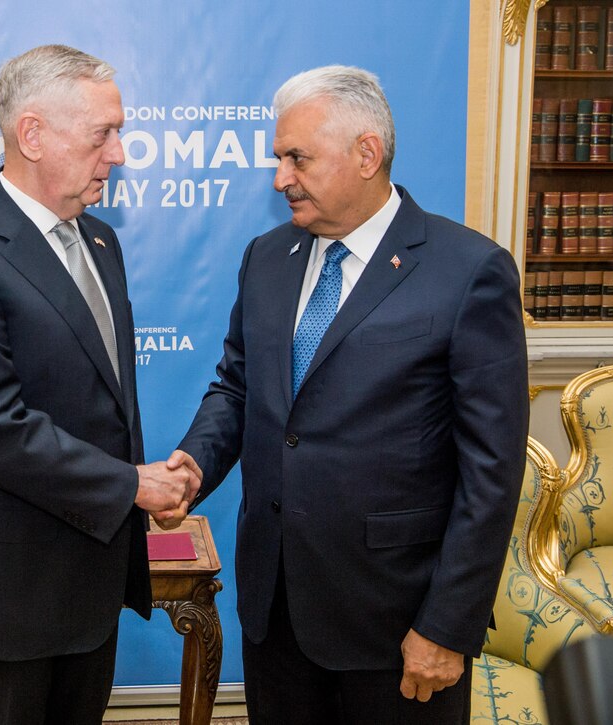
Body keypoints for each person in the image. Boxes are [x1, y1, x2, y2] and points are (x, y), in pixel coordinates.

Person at [173, 65, 528, 724]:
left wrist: (448, 625)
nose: (280, 177)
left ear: (367, 153)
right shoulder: (266, 257)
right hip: (275, 611)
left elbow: (492, 472)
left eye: (296, 158)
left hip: (396, 627)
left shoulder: (469, 272)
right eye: (280, 158)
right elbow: (238, 385)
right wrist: (193, 465)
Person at [0, 44, 200, 725]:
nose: (120, 153)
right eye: (104, 134)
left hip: (88, 590)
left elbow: (102, 404)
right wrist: (132, 484)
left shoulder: (100, 242)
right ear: (31, 134)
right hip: (0, 602)